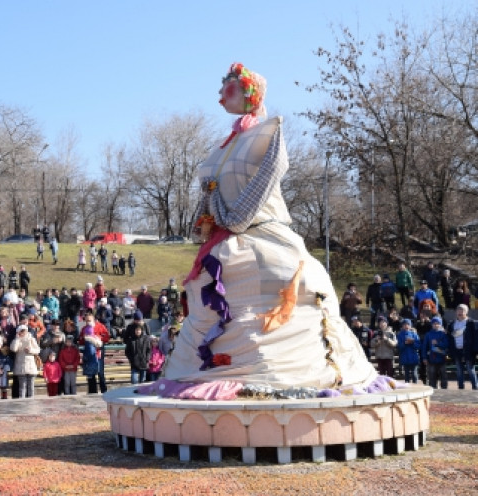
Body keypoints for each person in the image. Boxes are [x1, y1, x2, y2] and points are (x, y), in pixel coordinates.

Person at [162, 63, 379, 393]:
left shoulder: (268, 132)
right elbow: (209, 196)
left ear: (250, 92)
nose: (221, 94)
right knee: (210, 289)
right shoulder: (221, 148)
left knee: (285, 276)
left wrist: (236, 218)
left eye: (229, 87)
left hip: (263, 230)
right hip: (223, 239)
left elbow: (268, 176)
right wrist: (209, 221)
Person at [446, 304, 478, 390]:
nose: (460, 312)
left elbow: (475, 338)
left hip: (468, 350)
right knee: (459, 370)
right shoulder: (452, 324)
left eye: (462, 310)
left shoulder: (472, 323)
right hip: (456, 350)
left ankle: (475, 388)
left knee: (470, 370)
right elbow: (449, 337)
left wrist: (475, 350)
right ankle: (460, 388)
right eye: (458, 310)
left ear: (466, 312)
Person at [9, 324, 40, 398]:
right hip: (21, 365)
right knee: (22, 386)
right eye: (21, 331)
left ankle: (31, 400)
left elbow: (38, 350)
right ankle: (22, 400)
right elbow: (13, 349)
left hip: (30, 365)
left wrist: (30, 350)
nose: (23, 332)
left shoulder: (31, 338)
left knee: (31, 386)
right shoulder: (16, 339)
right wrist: (17, 339)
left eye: (24, 331)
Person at [421, 316, 449, 389]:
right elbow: (424, 346)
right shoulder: (428, 334)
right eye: (434, 323)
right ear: (432, 324)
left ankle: (444, 389)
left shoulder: (443, 334)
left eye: (437, 323)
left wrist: (438, 343)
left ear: (440, 324)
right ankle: (433, 389)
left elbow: (446, 344)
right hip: (431, 359)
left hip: (442, 358)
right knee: (432, 375)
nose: (436, 325)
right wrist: (424, 357)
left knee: (443, 375)